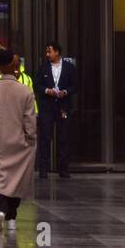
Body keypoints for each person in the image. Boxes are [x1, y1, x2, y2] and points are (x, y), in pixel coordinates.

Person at [0, 47, 36, 232]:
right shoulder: (25, 91)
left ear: (0, 67)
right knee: (15, 178)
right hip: (17, 142)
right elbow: (30, 121)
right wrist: (30, 139)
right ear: (13, 64)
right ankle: (10, 211)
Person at [35, 41, 77, 179]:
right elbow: (38, 85)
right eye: (47, 52)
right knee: (45, 137)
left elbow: (74, 85)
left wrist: (65, 91)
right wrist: (47, 90)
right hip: (47, 106)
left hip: (63, 106)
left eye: (50, 51)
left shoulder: (69, 67)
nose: (47, 54)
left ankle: (63, 169)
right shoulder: (43, 68)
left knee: (63, 137)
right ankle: (43, 169)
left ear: (57, 52)